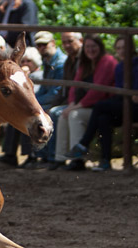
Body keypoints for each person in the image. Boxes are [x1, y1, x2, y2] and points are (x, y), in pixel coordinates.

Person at [66, 36, 138, 172]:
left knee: (100, 106)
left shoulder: (135, 64)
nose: (121, 51)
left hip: (134, 107)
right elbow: (120, 93)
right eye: (118, 48)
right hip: (124, 104)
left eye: (124, 48)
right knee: (102, 118)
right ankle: (105, 160)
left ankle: (83, 144)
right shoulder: (120, 67)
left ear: (132, 48)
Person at [53, 34, 118, 171]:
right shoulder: (85, 64)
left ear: (100, 47)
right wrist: (71, 104)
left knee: (74, 115)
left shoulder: (107, 61)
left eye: (93, 46)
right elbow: (74, 87)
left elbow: (98, 92)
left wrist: (75, 107)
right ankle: (60, 158)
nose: (90, 50)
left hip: (100, 106)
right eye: (88, 47)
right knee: (62, 114)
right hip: (86, 106)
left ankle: (77, 159)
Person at [2, 31, 66, 168]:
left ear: (53, 44)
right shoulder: (49, 62)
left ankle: (38, 156)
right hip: (51, 100)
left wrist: (36, 104)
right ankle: (16, 154)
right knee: (24, 112)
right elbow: (45, 90)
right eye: (39, 45)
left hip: (59, 101)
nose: (42, 48)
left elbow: (57, 92)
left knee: (31, 113)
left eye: (44, 44)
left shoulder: (60, 63)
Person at [0, 45, 42, 165]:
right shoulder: (23, 76)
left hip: (39, 104)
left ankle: (31, 156)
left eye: (29, 61)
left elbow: (32, 95)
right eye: (24, 61)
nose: (26, 63)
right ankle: (10, 153)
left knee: (28, 118)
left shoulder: (38, 75)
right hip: (32, 104)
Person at [45, 31, 83, 170]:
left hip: (81, 102)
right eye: (64, 42)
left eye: (70, 41)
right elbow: (65, 88)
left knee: (58, 113)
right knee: (52, 112)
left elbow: (80, 87)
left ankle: (67, 158)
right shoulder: (69, 60)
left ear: (80, 41)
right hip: (72, 101)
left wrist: (74, 104)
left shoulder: (83, 60)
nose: (67, 45)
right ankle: (56, 157)